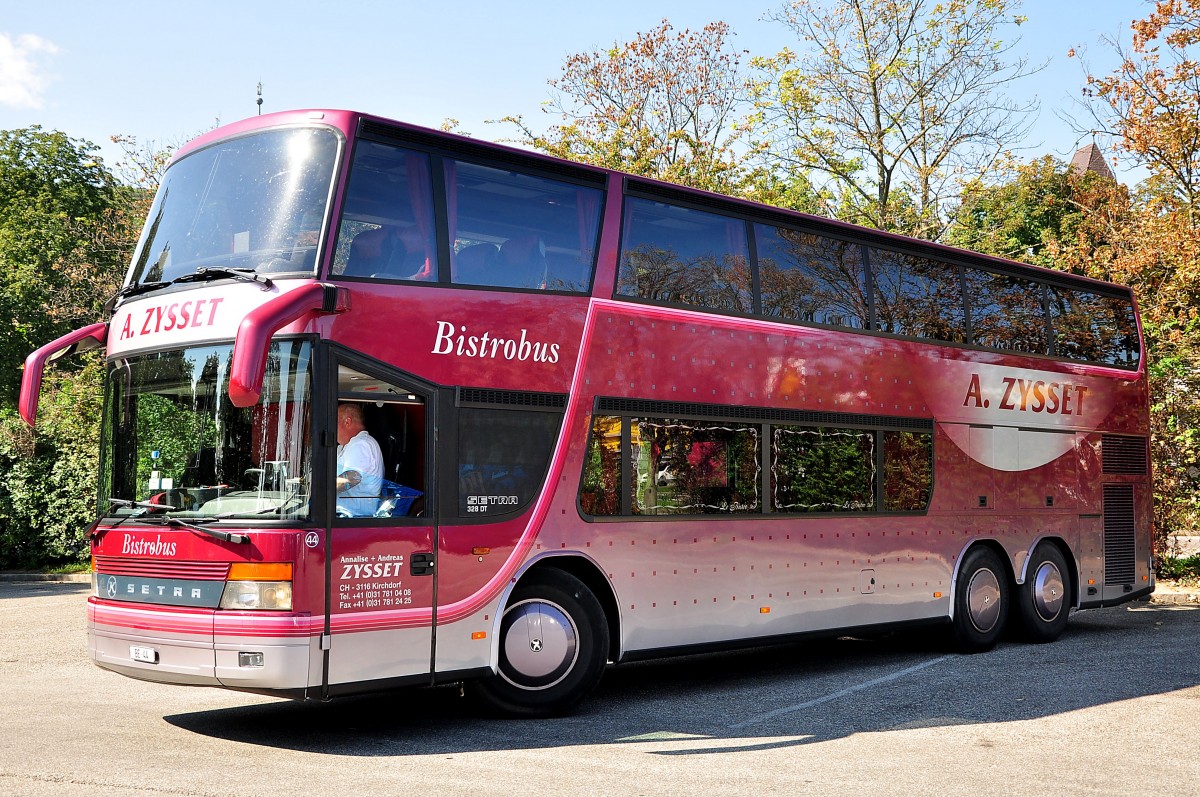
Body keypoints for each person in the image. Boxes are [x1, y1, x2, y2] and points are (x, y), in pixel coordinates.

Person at [335, 403, 383, 517]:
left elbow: (351, 478)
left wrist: (316, 488)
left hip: (352, 517)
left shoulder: (361, 444)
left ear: (347, 421)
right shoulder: (347, 446)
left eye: (333, 421)